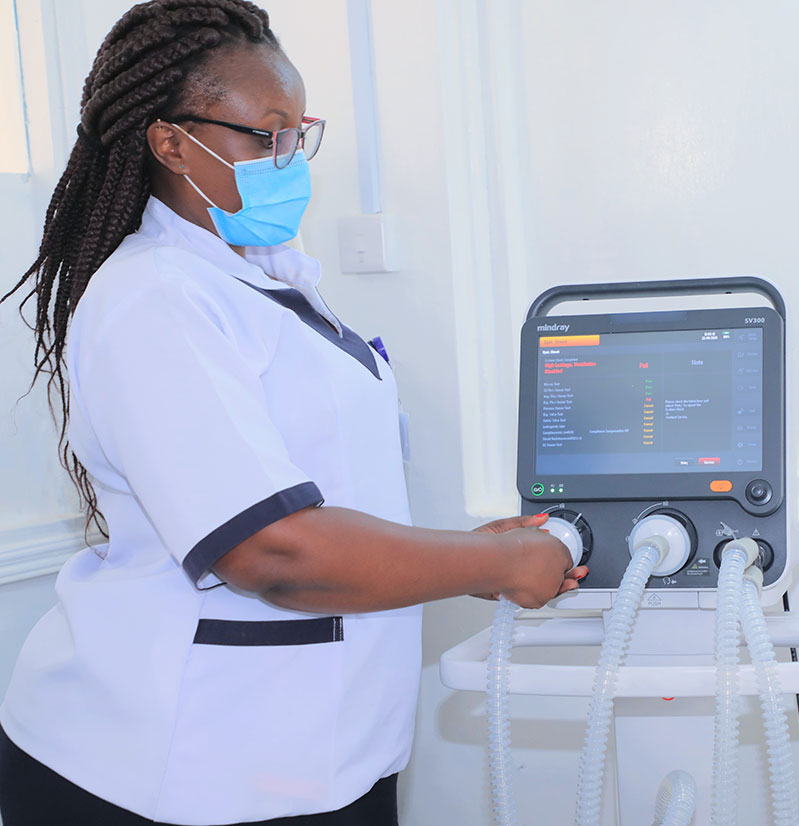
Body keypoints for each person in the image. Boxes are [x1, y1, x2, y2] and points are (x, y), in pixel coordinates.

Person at [0, 1, 582, 824]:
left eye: (296, 135)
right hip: (172, 767)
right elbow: (270, 548)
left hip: (311, 752)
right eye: (263, 136)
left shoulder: (264, 279)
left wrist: (457, 554)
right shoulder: (153, 299)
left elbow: (329, 493)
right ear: (171, 142)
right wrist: (494, 567)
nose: (287, 160)